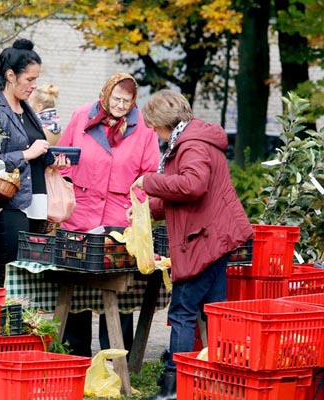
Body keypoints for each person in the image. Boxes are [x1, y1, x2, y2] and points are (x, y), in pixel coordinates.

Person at [129, 90, 252, 400]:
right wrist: (148, 208)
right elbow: (183, 194)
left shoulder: (192, 145)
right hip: (212, 237)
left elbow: (192, 186)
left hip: (203, 240)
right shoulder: (191, 141)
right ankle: (217, 382)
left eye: (153, 126)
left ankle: (175, 387)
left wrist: (148, 182)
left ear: (161, 122)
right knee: (214, 312)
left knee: (183, 311)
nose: (154, 133)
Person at [55, 73, 161, 357]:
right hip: (80, 212)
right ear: (105, 94)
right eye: (116, 98)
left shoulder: (144, 129)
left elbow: (149, 173)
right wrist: (66, 183)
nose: (120, 105)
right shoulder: (81, 117)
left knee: (118, 289)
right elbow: (62, 159)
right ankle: (75, 354)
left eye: (127, 101)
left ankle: (116, 355)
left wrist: (136, 205)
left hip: (118, 218)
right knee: (76, 287)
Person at [0, 38, 50, 288]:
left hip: (33, 202)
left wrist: (51, 157)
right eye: (29, 79)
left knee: (26, 281)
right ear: (10, 75)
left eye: (35, 79)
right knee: (5, 278)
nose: (33, 85)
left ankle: (17, 326)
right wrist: (26, 155)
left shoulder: (26, 108)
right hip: (7, 206)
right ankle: (1, 326)